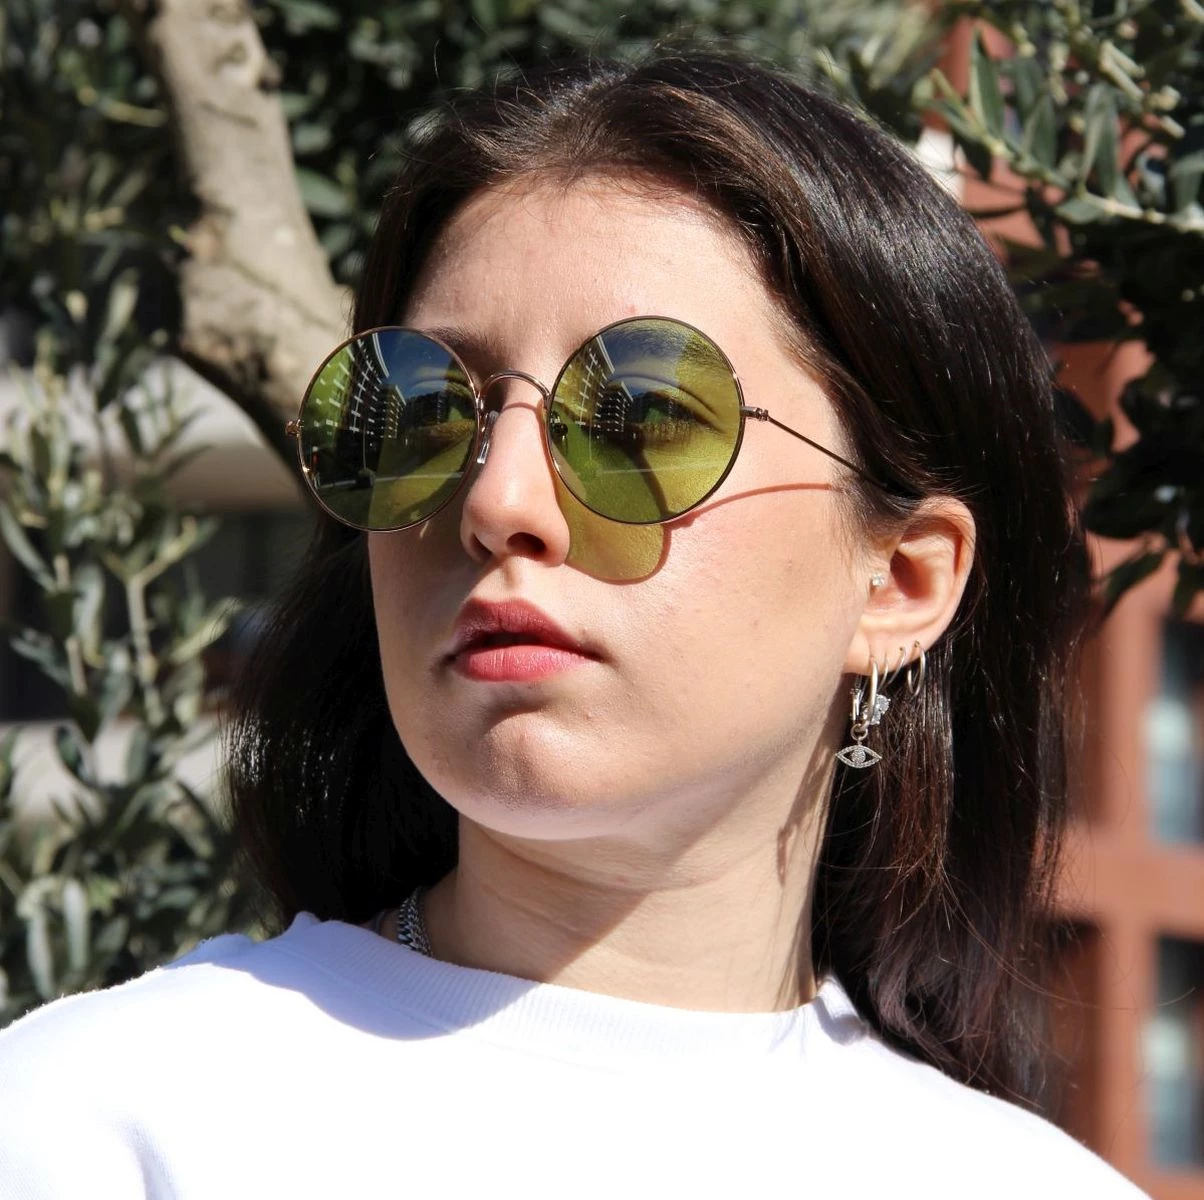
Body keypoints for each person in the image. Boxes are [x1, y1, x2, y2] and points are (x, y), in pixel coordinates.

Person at [0, 50, 1148, 1199]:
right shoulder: (98, 1122)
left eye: (641, 418)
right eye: (426, 416)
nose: (498, 500)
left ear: (898, 581)